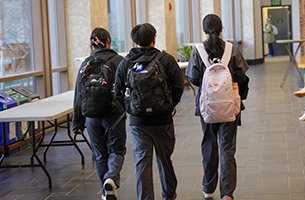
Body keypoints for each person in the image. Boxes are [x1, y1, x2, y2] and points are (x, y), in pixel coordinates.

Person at [114, 23, 184, 200]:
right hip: (163, 120)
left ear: (135, 42)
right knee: (165, 160)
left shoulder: (125, 63)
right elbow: (178, 88)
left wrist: (131, 109)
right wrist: (168, 106)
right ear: (154, 39)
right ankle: (169, 195)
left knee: (142, 163)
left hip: (138, 122)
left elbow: (118, 93)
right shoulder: (166, 60)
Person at [186, 14, 249, 200]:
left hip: (207, 107)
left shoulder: (198, 51)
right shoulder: (231, 49)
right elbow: (242, 76)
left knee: (209, 145)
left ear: (204, 31)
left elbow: (193, 78)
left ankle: (208, 188)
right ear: (222, 30)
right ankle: (227, 193)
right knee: (227, 147)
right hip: (229, 106)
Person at [72, 27, 126, 200]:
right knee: (117, 149)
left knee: (99, 154)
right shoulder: (119, 61)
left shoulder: (85, 64)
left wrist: (77, 123)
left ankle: (105, 193)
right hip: (114, 114)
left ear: (92, 44)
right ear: (108, 42)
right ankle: (111, 177)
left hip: (91, 116)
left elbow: (78, 95)